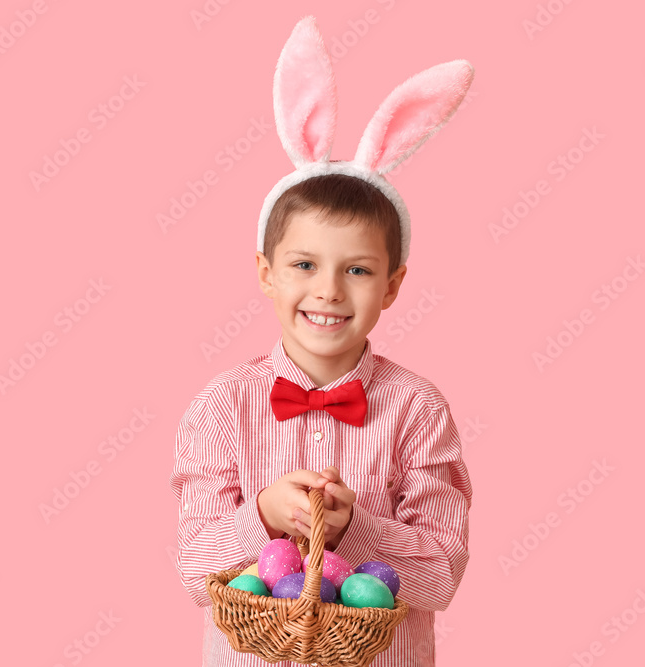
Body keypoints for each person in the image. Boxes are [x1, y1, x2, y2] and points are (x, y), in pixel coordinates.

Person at [168, 15, 474, 667]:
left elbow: (442, 576)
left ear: (392, 285)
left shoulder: (418, 410)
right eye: (305, 265)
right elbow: (195, 571)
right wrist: (263, 517)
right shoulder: (221, 407)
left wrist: (354, 528)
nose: (329, 291)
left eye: (357, 270)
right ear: (266, 273)